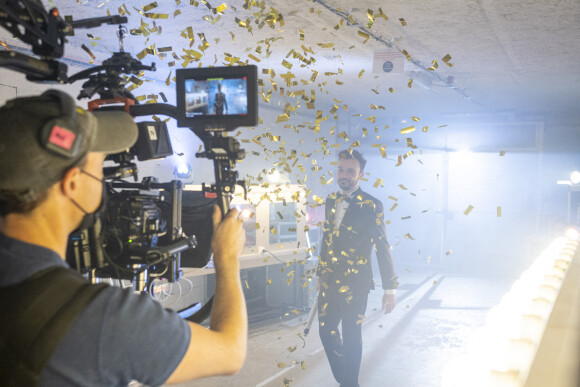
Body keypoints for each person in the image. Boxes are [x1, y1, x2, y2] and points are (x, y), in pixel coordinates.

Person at [0, 90, 247, 386]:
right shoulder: (104, 319)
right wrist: (227, 258)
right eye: (99, 163)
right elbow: (230, 352)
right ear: (73, 184)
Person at [317, 149, 398, 387]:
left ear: (360, 174)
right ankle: (347, 380)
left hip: (356, 282)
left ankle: (348, 383)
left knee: (352, 335)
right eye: (341, 169)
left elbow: (382, 247)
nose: (344, 175)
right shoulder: (331, 200)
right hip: (330, 279)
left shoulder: (372, 205)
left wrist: (389, 289)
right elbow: (327, 239)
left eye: (350, 171)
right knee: (326, 331)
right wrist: (321, 272)